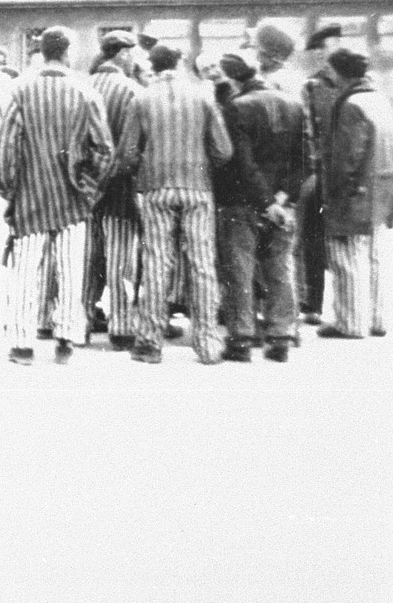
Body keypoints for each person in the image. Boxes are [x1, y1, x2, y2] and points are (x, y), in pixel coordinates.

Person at [0, 26, 112, 365]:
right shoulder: (85, 92)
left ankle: (21, 344)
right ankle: (66, 340)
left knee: (25, 274)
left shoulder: (21, 91)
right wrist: (88, 189)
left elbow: (7, 151)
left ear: (43, 52)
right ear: (68, 52)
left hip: (29, 201)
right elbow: (104, 149)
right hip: (73, 201)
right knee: (71, 271)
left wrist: (9, 191)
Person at [115, 43, 233, 365]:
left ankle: (150, 343)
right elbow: (223, 150)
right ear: (180, 62)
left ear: (153, 65)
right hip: (197, 188)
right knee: (202, 264)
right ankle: (207, 343)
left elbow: (126, 154)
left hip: (155, 189)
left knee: (156, 262)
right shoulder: (203, 96)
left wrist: (145, 166)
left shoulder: (141, 98)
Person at [214, 52, 305, 361]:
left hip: (241, 201)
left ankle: (241, 338)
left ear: (235, 79)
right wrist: (284, 200)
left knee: (240, 269)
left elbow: (241, 161)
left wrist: (264, 202)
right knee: (279, 268)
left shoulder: (236, 107)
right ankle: (280, 337)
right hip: (281, 205)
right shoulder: (293, 105)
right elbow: (305, 162)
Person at [317, 48, 393, 339]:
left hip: (357, 192)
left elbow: (346, 157)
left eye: (330, 70)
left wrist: (333, 192)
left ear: (340, 73)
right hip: (384, 187)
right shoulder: (379, 98)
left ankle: (350, 323)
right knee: (375, 257)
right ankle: (377, 318)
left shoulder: (351, 104)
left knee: (347, 256)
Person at [85, 31, 145, 349]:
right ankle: (121, 327)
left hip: (83, 188)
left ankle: (79, 319)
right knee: (121, 258)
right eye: (132, 52)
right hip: (119, 187)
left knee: (87, 257)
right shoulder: (131, 90)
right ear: (122, 54)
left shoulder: (82, 85)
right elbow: (130, 148)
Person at [295, 23, 345, 324]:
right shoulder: (311, 87)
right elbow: (308, 131)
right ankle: (313, 303)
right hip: (323, 171)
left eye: (335, 47)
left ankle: (343, 307)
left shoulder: (352, 84)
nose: (328, 56)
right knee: (314, 239)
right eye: (326, 50)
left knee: (339, 241)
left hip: (340, 171)